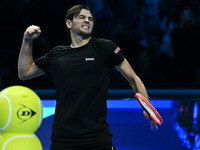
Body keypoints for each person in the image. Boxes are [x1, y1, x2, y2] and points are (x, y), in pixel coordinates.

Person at [18, 4, 151, 150]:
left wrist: (147, 107)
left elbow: (133, 78)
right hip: (63, 139)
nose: (87, 20)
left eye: (90, 19)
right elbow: (24, 73)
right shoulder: (56, 54)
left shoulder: (104, 47)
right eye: (82, 17)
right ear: (69, 23)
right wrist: (27, 40)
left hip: (97, 138)